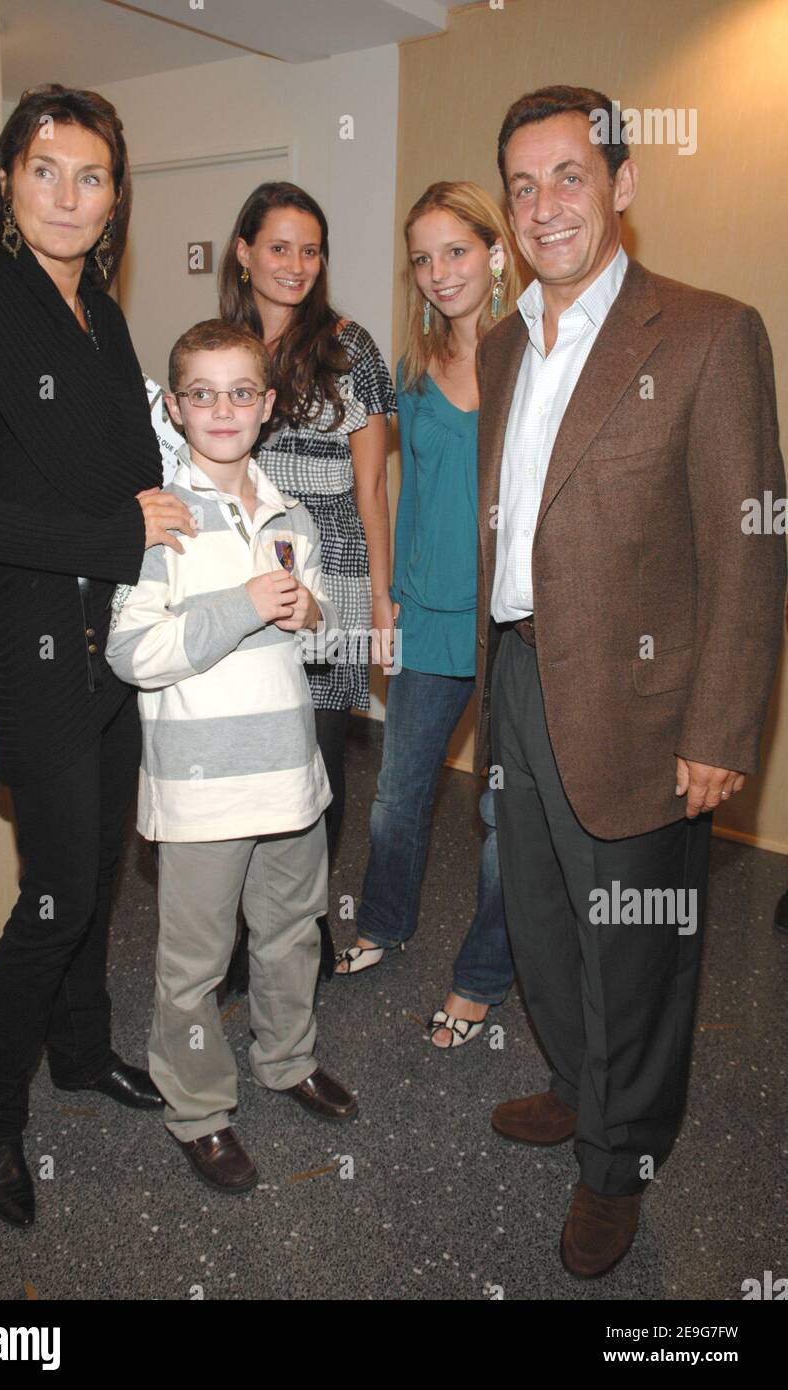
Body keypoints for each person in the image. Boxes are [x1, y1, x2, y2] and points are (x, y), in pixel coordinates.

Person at [475, 85, 786, 1277]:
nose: (545, 205)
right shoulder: (506, 343)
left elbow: (752, 546)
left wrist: (721, 724)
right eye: (523, 185)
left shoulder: (708, 332)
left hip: (648, 707)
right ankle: (574, 1083)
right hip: (519, 676)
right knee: (546, 927)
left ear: (621, 182)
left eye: (568, 175)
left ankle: (620, 1160)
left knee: (637, 951)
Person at [0, 85, 197, 1229]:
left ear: (116, 195)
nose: (70, 195)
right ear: (7, 182)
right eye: (47, 170)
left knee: (92, 885)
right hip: (37, 644)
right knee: (58, 891)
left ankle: (80, 1054)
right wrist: (116, 531)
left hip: (119, 638)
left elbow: (124, 469)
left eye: (92, 175)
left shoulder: (104, 318)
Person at [106, 321, 357, 1194]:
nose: (223, 409)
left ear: (268, 405)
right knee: (195, 968)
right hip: (204, 790)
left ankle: (287, 1060)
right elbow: (132, 654)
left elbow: (319, 626)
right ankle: (199, 1110)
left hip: (289, 777)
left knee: (291, 936)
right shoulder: (160, 519)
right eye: (202, 394)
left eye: (240, 392)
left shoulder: (288, 511)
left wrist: (308, 618)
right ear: (175, 409)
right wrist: (242, 605)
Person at [334, 182, 516, 1049]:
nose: (440, 272)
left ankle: (482, 979)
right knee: (397, 795)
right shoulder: (409, 368)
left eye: (457, 250)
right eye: (423, 257)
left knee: (499, 814)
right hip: (425, 615)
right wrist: (386, 594)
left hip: (516, 623)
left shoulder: (536, 355)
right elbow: (387, 489)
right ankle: (380, 922)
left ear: (494, 251)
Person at [218, 183, 397, 984]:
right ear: (244, 251)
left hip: (337, 584)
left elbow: (371, 489)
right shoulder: (218, 351)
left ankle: (307, 924)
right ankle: (237, 935)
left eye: (311, 249)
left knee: (317, 766)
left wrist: (382, 602)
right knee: (246, 755)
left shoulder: (350, 347)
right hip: (244, 578)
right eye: (280, 246)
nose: (296, 264)